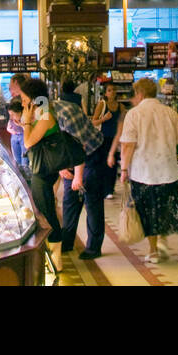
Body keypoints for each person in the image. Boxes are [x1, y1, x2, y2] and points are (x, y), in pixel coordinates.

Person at [119, 76, 178, 264]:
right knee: (163, 208)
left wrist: (123, 170)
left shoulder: (134, 114)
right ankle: (162, 239)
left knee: (147, 211)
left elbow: (128, 145)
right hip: (168, 170)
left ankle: (153, 250)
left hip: (143, 172)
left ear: (139, 93)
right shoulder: (169, 112)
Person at [54, 78, 108, 259]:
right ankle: (67, 242)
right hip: (74, 155)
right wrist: (62, 167)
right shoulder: (45, 117)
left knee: (91, 199)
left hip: (93, 153)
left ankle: (93, 248)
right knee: (70, 200)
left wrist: (78, 176)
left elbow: (80, 147)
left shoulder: (64, 115)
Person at [18, 77, 66, 260]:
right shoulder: (40, 111)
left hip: (46, 170)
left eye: (24, 99)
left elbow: (28, 141)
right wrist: (26, 118)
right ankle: (52, 254)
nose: (22, 103)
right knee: (43, 209)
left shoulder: (45, 114)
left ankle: (56, 257)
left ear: (33, 98)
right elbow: (24, 125)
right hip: (40, 168)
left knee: (47, 213)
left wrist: (27, 122)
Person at [92, 79, 125, 200]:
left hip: (115, 139)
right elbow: (93, 122)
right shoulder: (102, 104)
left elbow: (123, 123)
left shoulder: (120, 107)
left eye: (114, 90)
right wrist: (104, 119)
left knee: (112, 164)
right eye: (109, 90)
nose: (112, 92)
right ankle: (103, 188)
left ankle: (110, 189)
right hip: (102, 139)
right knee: (103, 164)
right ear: (105, 93)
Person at [5, 73, 31, 169]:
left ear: (15, 82)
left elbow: (42, 121)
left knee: (25, 164)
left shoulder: (40, 100)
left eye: (10, 85)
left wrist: (24, 125)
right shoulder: (15, 99)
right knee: (18, 162)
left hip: (27, 136)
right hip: (18, 135)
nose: (9, 88)